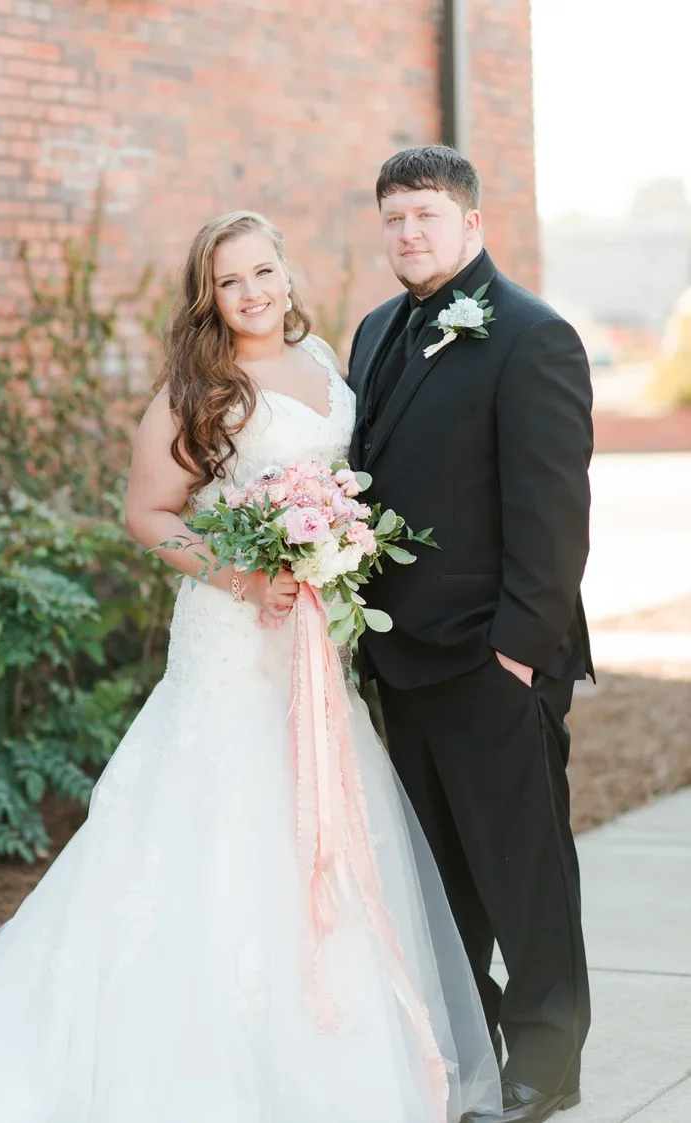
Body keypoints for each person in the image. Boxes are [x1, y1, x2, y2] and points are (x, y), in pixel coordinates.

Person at [0, 210, 501, 1123]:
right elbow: (149, 516)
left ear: (288, 271)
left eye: (264, 271)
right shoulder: (198, 390)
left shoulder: (327, 359)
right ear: (210, 296)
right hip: (234, 643)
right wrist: (243, 575)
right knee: (229, 827)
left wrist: (337, 553)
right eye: (231, 280)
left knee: (324, 824)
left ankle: (335, 1051)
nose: (253, 293)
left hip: (316, 646)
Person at [347, 145, 594, 1123]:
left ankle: (547, 1064)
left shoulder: (534, 334)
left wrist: (517, 650)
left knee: (523, 869)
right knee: (441, 881)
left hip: (494, 658)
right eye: (395, 217)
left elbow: (552, 511)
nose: (409, 232)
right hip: (400, 663)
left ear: (471, 224)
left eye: (427, 215)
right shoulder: (372, 332)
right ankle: (469, 1046)